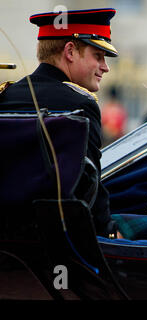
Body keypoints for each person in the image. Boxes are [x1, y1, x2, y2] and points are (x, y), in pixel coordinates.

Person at [0, 8, 121, 239]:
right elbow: (90, 186)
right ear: (70, 51)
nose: (105, 67)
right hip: (60, 243)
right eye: (98, 56)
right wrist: (111, 234)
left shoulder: (6, 95)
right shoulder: (80, 103)